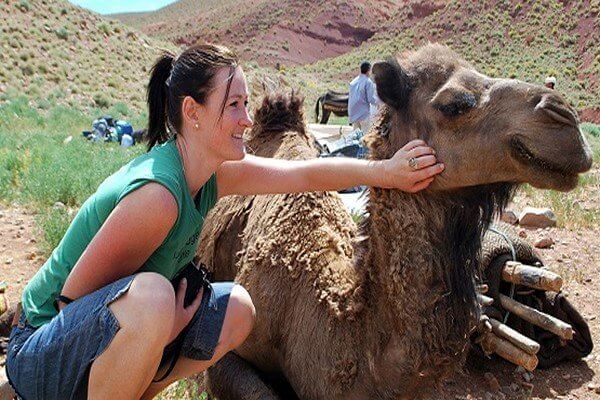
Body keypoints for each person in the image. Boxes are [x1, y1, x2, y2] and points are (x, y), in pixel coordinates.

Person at [5, 44, 444, 400]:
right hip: (40, 347)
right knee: (155, 296)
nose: (247, 120)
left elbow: (304, 174)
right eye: (233, 105)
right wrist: (164, 326)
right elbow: (68, 303)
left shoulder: (212, 173)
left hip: (108, 334)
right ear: (192, 112)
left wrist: (386, 172)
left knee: (236, 308)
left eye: (247, 104)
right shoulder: (158, 195)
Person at [348, 60, 379, 133]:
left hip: (353, 113)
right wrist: (378, 104)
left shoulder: (353, 82)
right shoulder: (368, 82)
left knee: (355, 136)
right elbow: (370, 99)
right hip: (363, 114)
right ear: (368, 70)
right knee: (365, 135)